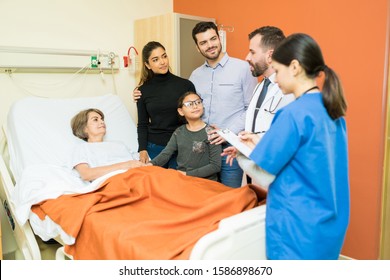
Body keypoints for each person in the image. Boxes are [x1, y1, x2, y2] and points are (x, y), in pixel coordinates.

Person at [223, 33, 349, 260]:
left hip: (297, 227)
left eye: (278, 71)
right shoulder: (332, 111)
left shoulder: (293, 113)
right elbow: (307, 157)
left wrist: (241, 154)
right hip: (329, 224)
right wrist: (258, 141)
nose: (276, 79)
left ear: (294, 67)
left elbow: (263, 170)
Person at [189, 21, 258, 188]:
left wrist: (227, 133)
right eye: (203, 42)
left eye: (213, 39)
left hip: (231, 148)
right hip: (203, 149)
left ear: (219, 39)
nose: (210, 45)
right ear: (198, 47)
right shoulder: (195, 76)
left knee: (230, 197)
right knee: (205, 196)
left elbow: (251, 108)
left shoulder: (243, 69)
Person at [242, 26, 295, 185]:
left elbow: (286, 138)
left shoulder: (289, 90)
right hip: (252, 167)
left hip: (274, 173)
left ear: (270, 55)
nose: (246, 57)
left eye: (252, 52)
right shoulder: (259, 86)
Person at [135, 41, 196, 168]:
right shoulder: (142, 91)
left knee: (178, 185)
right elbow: (142, 124)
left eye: (164, 56)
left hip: (180, 145)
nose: (162, 62)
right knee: (156, 186)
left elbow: (194, 118)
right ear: (147, 65)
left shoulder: (185, 85)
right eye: (156, 59)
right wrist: (142, 149)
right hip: (155, 147)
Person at [148, 91, 221, 181]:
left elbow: (215, 166)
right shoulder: (179, 132)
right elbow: (166, 154)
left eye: (198, 102)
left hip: (205, 182)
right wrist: (149, 165)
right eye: (189, 104)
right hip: (183, 181)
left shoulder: (212, 132)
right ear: (181, 111)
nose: (195, 106)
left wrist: (187, 174)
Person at [70, 108, 145, 181]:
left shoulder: (119, 144)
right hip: (116, 182)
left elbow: (141, 163)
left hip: (139, 176)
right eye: (95, 119)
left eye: (102, 119)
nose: (102, 122)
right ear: (84, 128)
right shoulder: (82, 148)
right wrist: (125, 165)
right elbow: (86, 174)